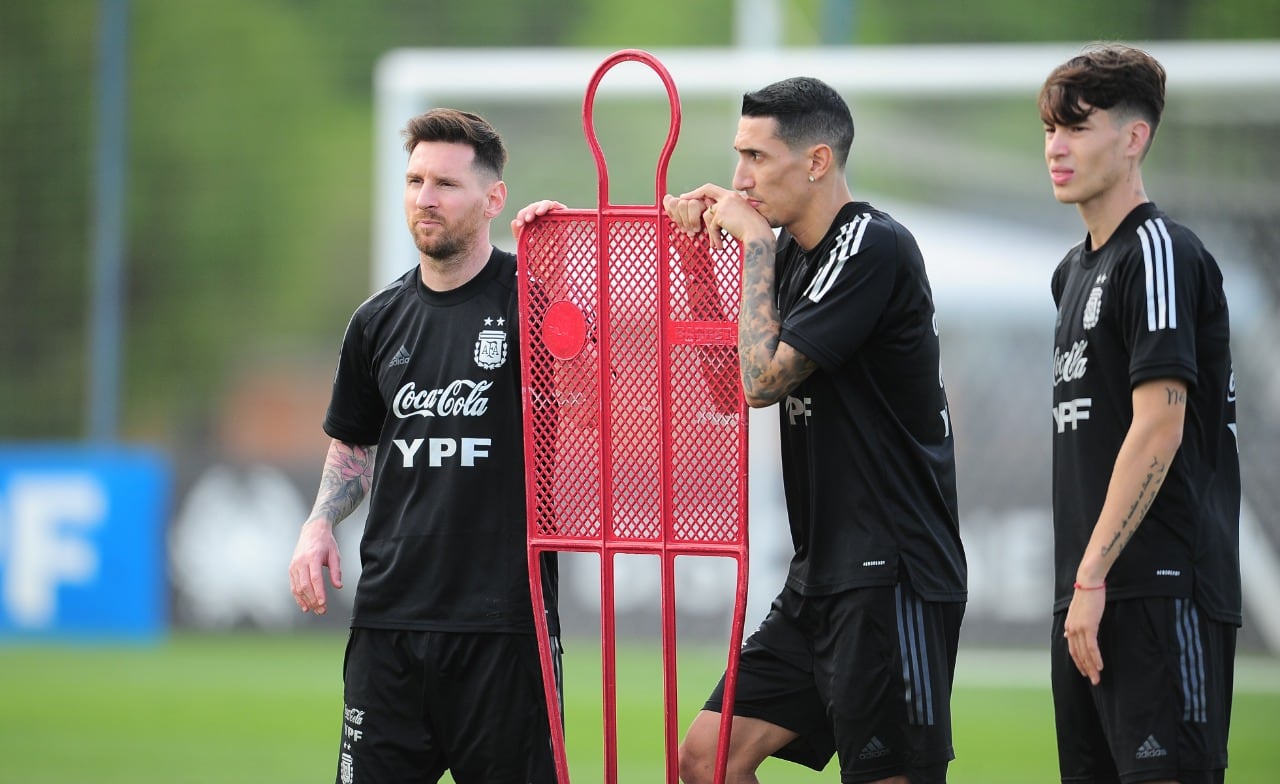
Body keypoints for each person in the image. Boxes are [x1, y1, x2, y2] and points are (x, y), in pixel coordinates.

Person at [663, 76, 967, 784]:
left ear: (818, 161)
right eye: (738, 156)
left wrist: (753, 249)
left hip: (894, 574)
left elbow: (763, 382)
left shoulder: (872, 243)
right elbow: (727, 386)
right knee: (706, 759)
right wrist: (694, 259)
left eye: (757, 158)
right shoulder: (794, 255)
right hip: (821, 576)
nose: (739, 180)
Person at [287, 108, 561, 784]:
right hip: (389, 624)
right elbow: (354, 441)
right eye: (414, 181)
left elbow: (602, 399)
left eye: (445, 183)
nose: (424, 199)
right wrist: (320, 522)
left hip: (505, 627)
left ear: (493, 199)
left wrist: (569, 262)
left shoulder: (536, 304)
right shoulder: (376, 321)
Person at [1040, 44, 1241, 784]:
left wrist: (1092, 577)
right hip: (1089, 595)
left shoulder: (1158, 252)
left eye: (1077, 128)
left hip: (1160, 591)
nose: (1056, 147)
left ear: (1133, 139)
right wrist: (1081, 587)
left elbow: (1160, 424)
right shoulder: (1071, 272)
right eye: (1049, 130)